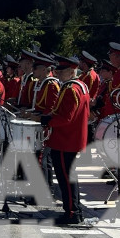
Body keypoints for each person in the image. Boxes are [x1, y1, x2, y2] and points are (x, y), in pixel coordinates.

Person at [40, 56, 90, 224]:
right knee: (69, 176)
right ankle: (74, 209)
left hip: (65, 139)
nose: (58, 74)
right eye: (58, 71)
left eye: (61, 71)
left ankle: (72, 212)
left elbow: (66, 118)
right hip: (72, 138)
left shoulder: (70, 89)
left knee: (66, 178)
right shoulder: (81, 85)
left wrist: (46, 121)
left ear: (71, 71)